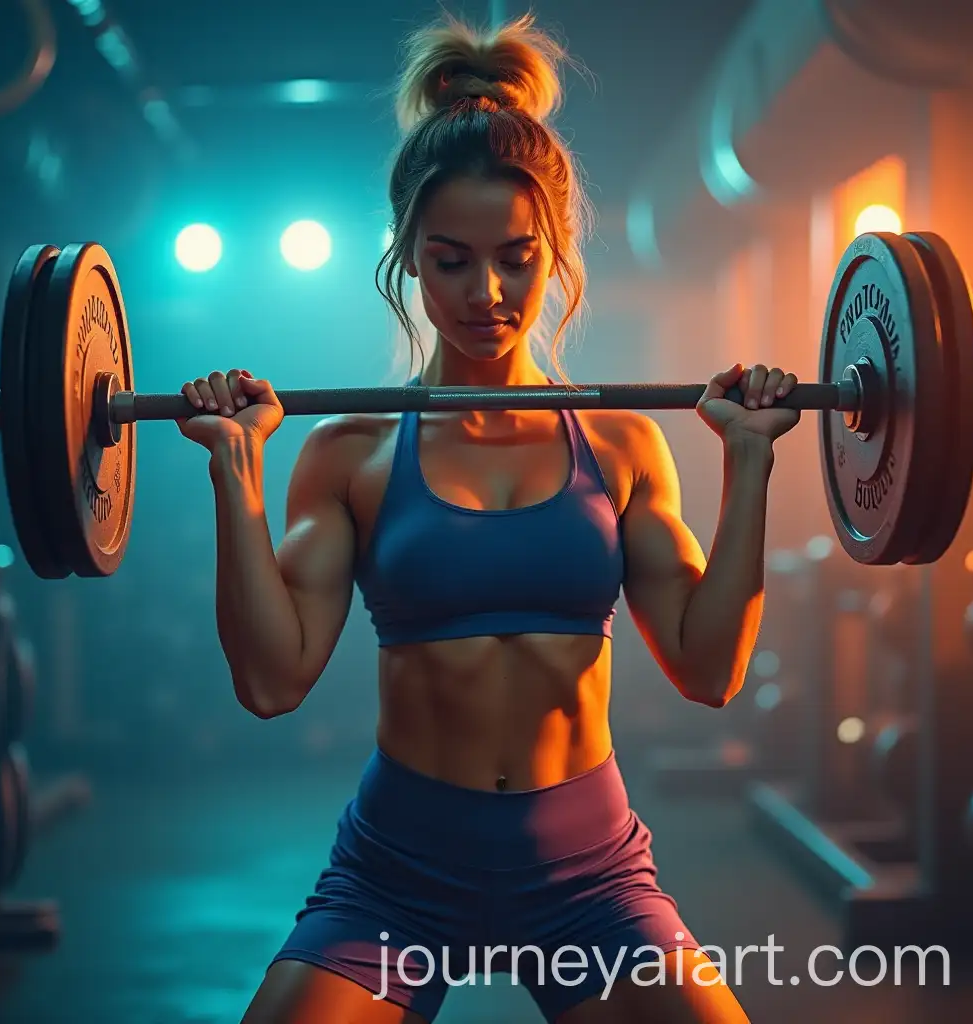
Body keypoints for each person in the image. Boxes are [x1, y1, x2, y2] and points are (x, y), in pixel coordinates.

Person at [177, 14, 798, 1023]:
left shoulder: (623, 446)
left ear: (552, 250)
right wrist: (235, 474)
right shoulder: (353, 451)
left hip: (586, 875)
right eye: (451, 259)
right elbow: (269, 679)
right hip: (398, 874)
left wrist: (750, 458)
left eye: (515, 256)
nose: (487, 291)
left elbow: (711, 666)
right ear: (409, 260)